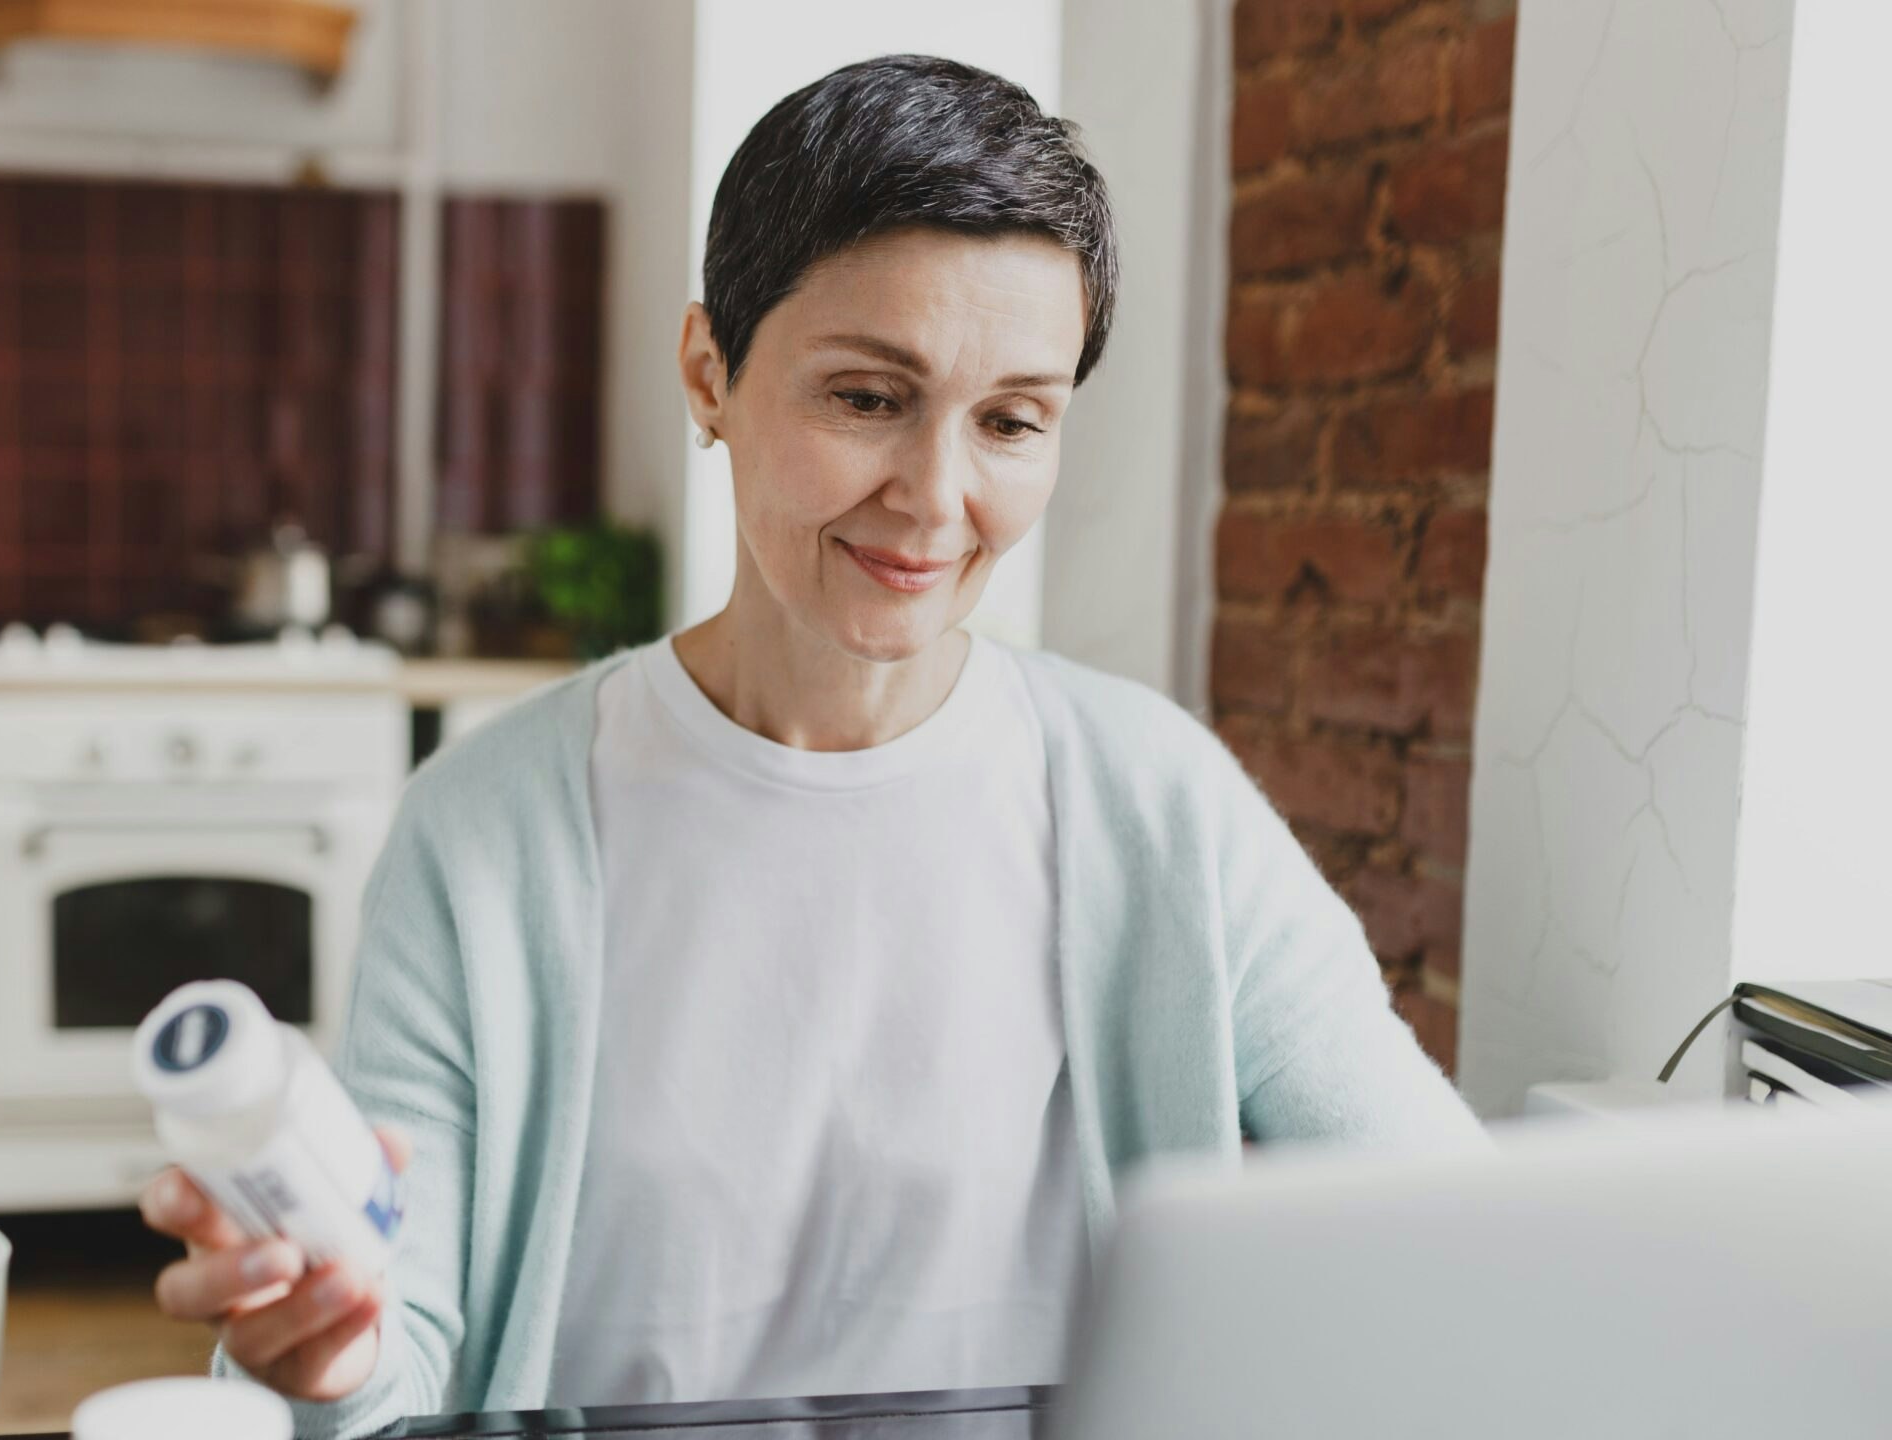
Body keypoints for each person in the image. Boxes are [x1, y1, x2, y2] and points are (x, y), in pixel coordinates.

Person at [137, 52, 1483, 1439]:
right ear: (708, 371)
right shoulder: (484, 834)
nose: (936, 499)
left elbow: (1452, 1227)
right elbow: (389, 1353)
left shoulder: (1160, 807)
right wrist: (323, 1357)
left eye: (1013, 421)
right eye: (866, 397)